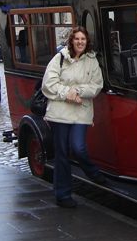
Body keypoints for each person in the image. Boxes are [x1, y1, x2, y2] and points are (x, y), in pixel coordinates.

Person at [41, 26, 105, 208]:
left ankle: (93, 173)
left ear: (87, 42)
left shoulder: (92, 61)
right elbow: (48, 84)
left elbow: (97, 85)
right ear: (71, 41)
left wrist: (76, 91)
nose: (80, 42)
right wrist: (66, 93)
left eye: (83, 39)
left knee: (78, 147)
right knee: (62, 152)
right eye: (76, 39)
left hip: (81, 111)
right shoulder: (59, 58)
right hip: (60, 113)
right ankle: (63, 194)